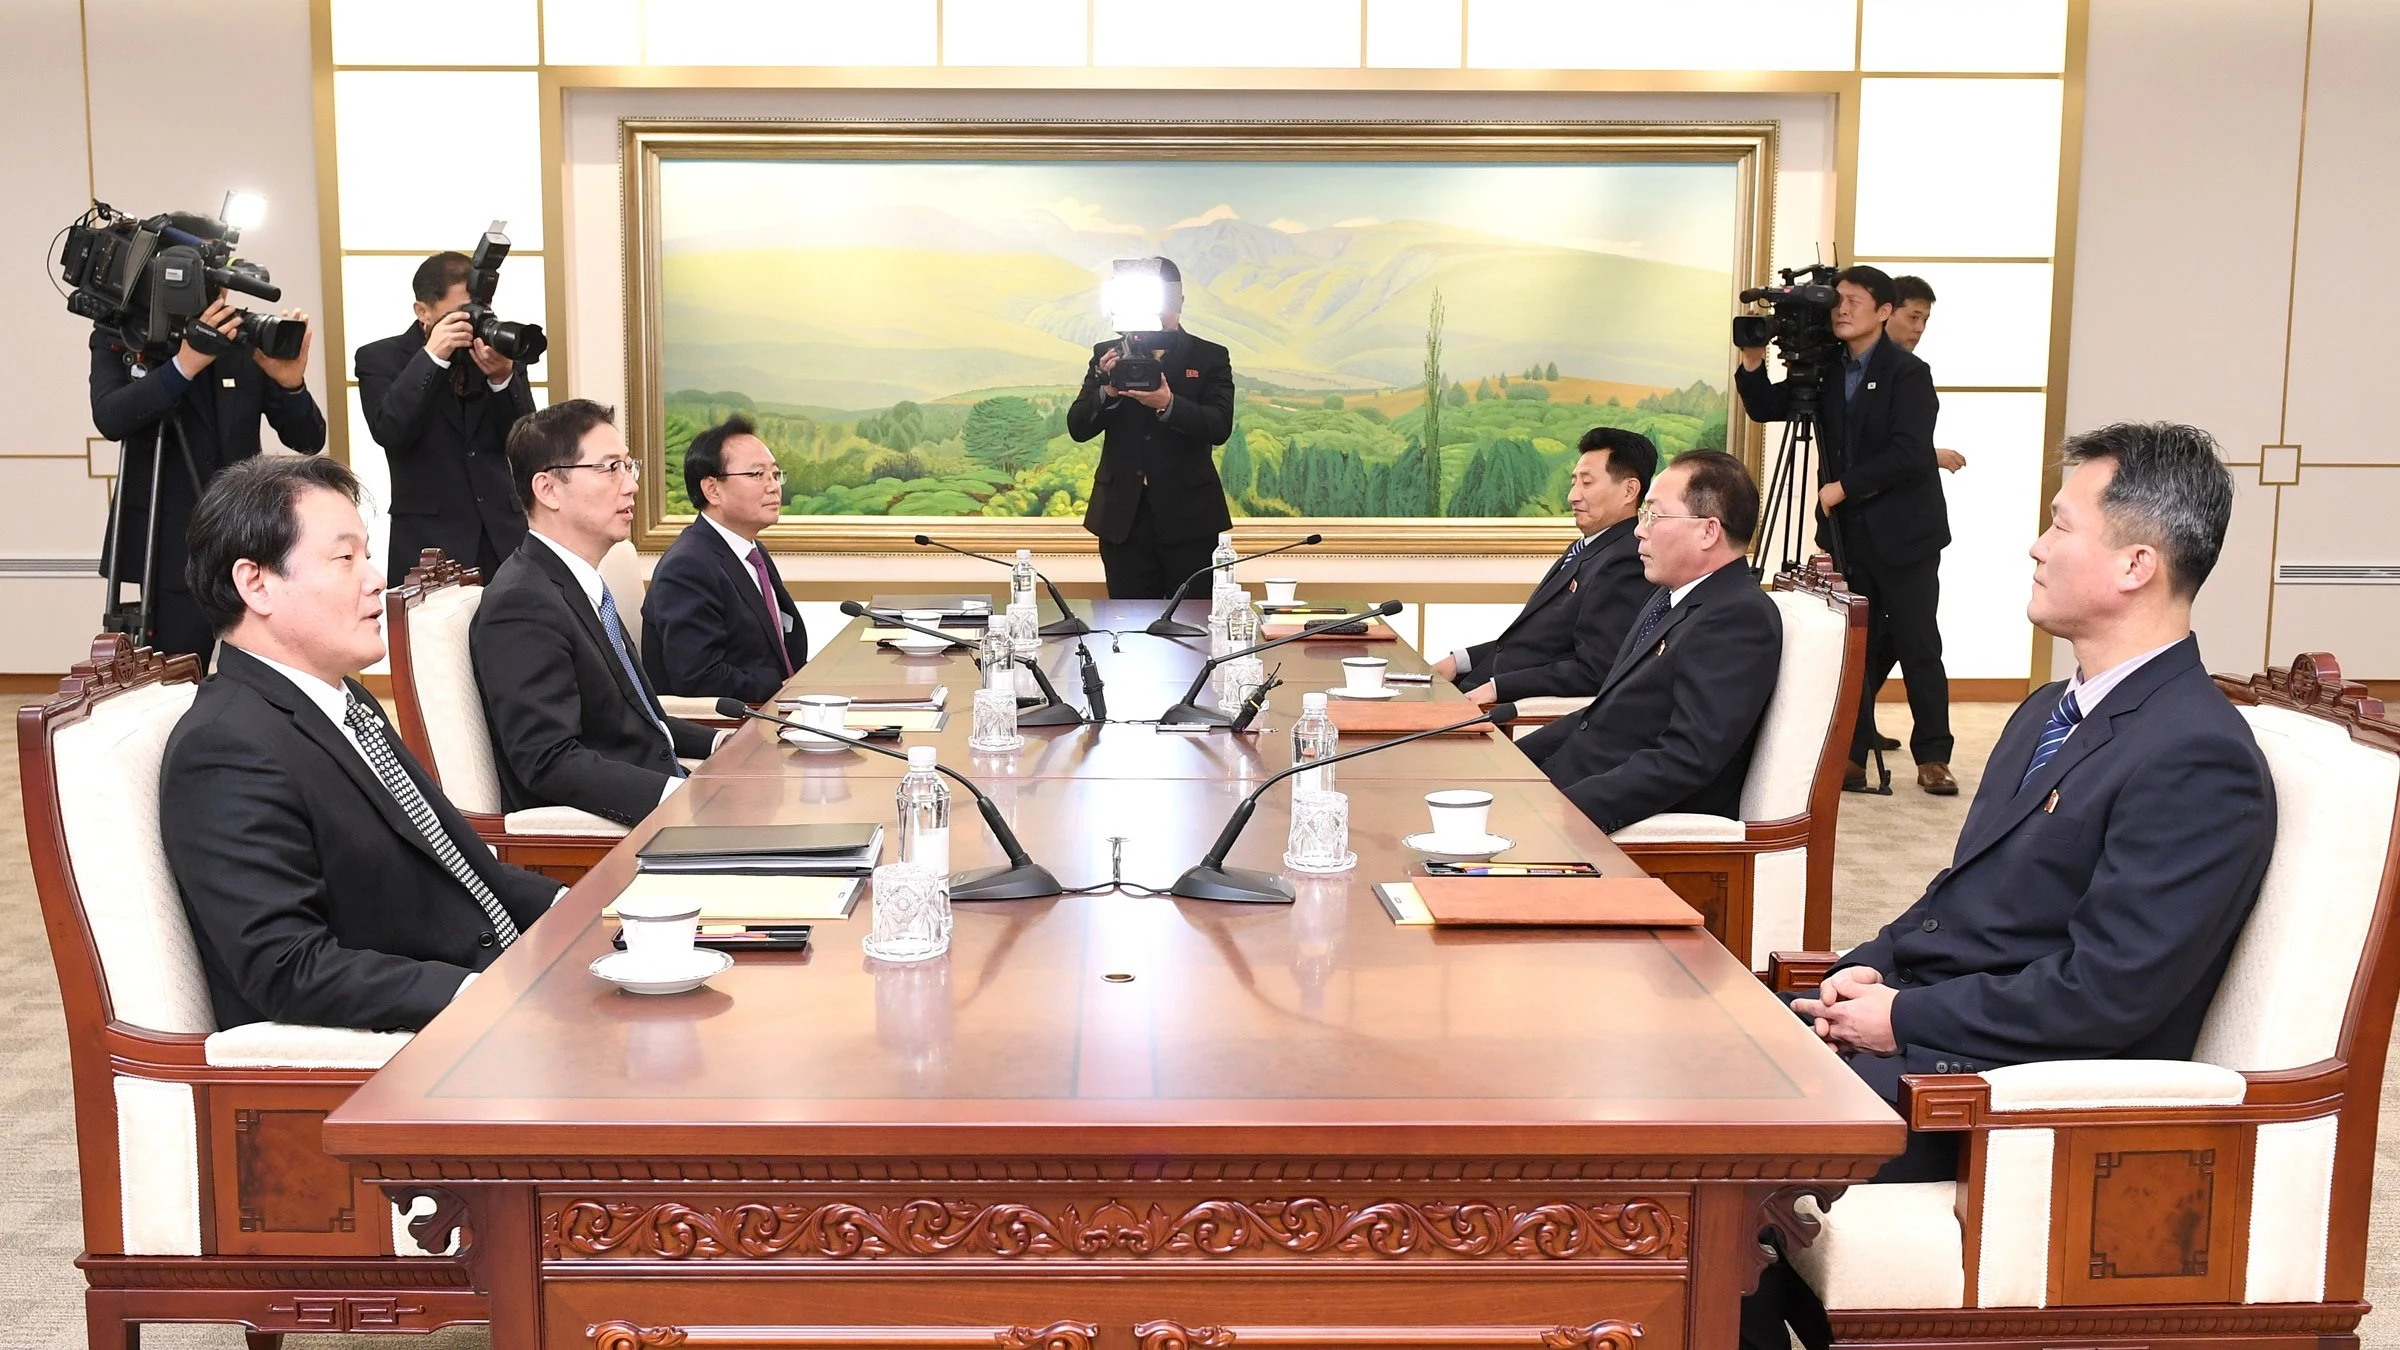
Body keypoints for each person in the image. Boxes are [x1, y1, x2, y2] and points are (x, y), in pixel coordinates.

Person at [1744, 422, 2274, 1350]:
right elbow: (1962, 896)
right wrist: (1867, 970)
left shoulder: (2195, 754)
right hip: (1947, 1036)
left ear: (2135, 564)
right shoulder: (2049, 710)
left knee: (1702, 1164)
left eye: (2062, 525)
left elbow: (2108, 995)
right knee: (1713, 1048)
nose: (2036, 543)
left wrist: (1903, 1020)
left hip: (2012, 1099)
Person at [158, 455, 559, 1032]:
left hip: (505, 974)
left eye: (367, 555)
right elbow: (291, 969)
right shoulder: (225, 749)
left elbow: (459, 865)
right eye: (346, 558)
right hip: (435, 1044)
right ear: (256, 583)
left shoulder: (345, 701)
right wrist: (492, 993)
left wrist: (578, 909)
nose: (375, 578)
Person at [1736, 264, 1957, 796]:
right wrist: (1751, 361)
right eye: (1838, 300)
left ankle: (1933, 756)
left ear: (1883, 311)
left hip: (1906, 533)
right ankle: (1851, 755)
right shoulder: (1827, 368)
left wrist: (1843, 487)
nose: (1841, 309)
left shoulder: (1909, 373)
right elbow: (1769, 409)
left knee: (1917, 642)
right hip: (1846, 533)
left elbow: (1909, 454)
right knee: (1851, 644)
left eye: (1855, 301)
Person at [471, 400, 722, 827]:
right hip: (616, 839)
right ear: (547, 488)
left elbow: (639, 722)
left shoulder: (579, 585)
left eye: (629, 467)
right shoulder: (522, 604)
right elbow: (547, 760)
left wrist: (724, 744)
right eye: (610, 469)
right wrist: (680, 798)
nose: (631, 486)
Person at [1515, 451, 1782, 834]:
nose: (1639, 530)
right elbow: (1601, 716)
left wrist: (1563, 812)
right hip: (1568, 785)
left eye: (1653, 516)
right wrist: (1510, 765)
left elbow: (1685, 758)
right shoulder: (1669, 597)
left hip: (1615, 820)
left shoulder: (1738, 618)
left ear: (1708, 531)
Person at [90, 300, 323, 662]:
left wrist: (291, 384)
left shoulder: (244, 337)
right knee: (177, 682)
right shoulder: (125, 333)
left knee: (262, 673)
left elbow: (308, 439)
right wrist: (182, 367)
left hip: (246, 540)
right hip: (166, 550)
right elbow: (110, 417)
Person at [1433, 427, 1656, 706]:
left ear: (1629, 490)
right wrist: (1459, 660)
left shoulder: (1625, 560)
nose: (1572, 496)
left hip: (1500, 709)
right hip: (1475, 688)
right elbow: (1534, 645)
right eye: (1573, 482)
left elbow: (1594, 670)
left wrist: (1498, 688)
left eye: (1586, 483)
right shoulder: (1590, 547)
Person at [354, 250, 538, 584]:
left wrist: (502, 378)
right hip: (429, 545)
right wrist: (432, 358)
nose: (472, 323)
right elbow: (390, 430)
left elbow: (527, 444)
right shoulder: (380, 359)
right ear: (422, 311)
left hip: (504, 540)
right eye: (459, 314)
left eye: (481, 312)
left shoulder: (497, 354)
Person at [1065, 258, 1238, 599]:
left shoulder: (1209, 356)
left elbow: (1218, 426)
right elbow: (1078, 426)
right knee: (1127, 627)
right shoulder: (1107, 354)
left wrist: (1167, 403)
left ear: (1178, 302)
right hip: (1122, 519)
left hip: (1190, 518)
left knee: (1193, 626)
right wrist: (1107, 391)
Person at [641, 413, 808, 703]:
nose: (773, 486)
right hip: (730, 727)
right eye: (757, 475)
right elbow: (699, 678)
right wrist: (781, 684)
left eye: (775, 474)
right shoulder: (687, 567)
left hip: (776, 707)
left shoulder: (749, 549)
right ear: (712, 489)